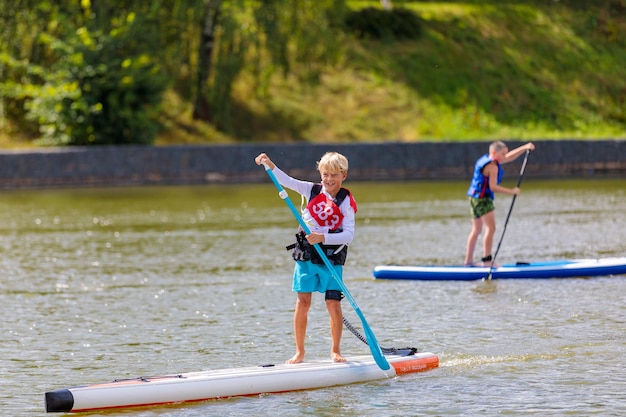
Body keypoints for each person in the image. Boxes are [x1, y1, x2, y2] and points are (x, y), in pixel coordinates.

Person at [255, 151, 357, 364]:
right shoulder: (311, 190)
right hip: (306, 257)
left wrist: (323, 237)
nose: (329, 180)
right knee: (302, 302)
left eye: (334, 175)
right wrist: (269, 164)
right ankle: (300, 352)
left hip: (331, 258)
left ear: (343, 176)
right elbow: (286, 181)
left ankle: (335, 351)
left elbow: (348, 234)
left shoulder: (345, 201)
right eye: (325, 175)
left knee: (333, 303)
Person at [464, 141, 535, 267]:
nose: (505, 157)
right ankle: (487, 261)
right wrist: (512, 191)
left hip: (473, 198)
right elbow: (493, 187)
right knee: (491, 229)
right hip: (483, 199)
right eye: (502, 154)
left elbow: (510, 157)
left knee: (476, 230)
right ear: (494, 153)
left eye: (505, 153)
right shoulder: (492, 167)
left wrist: (525, 148)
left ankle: (468, 261)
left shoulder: (487, 159)